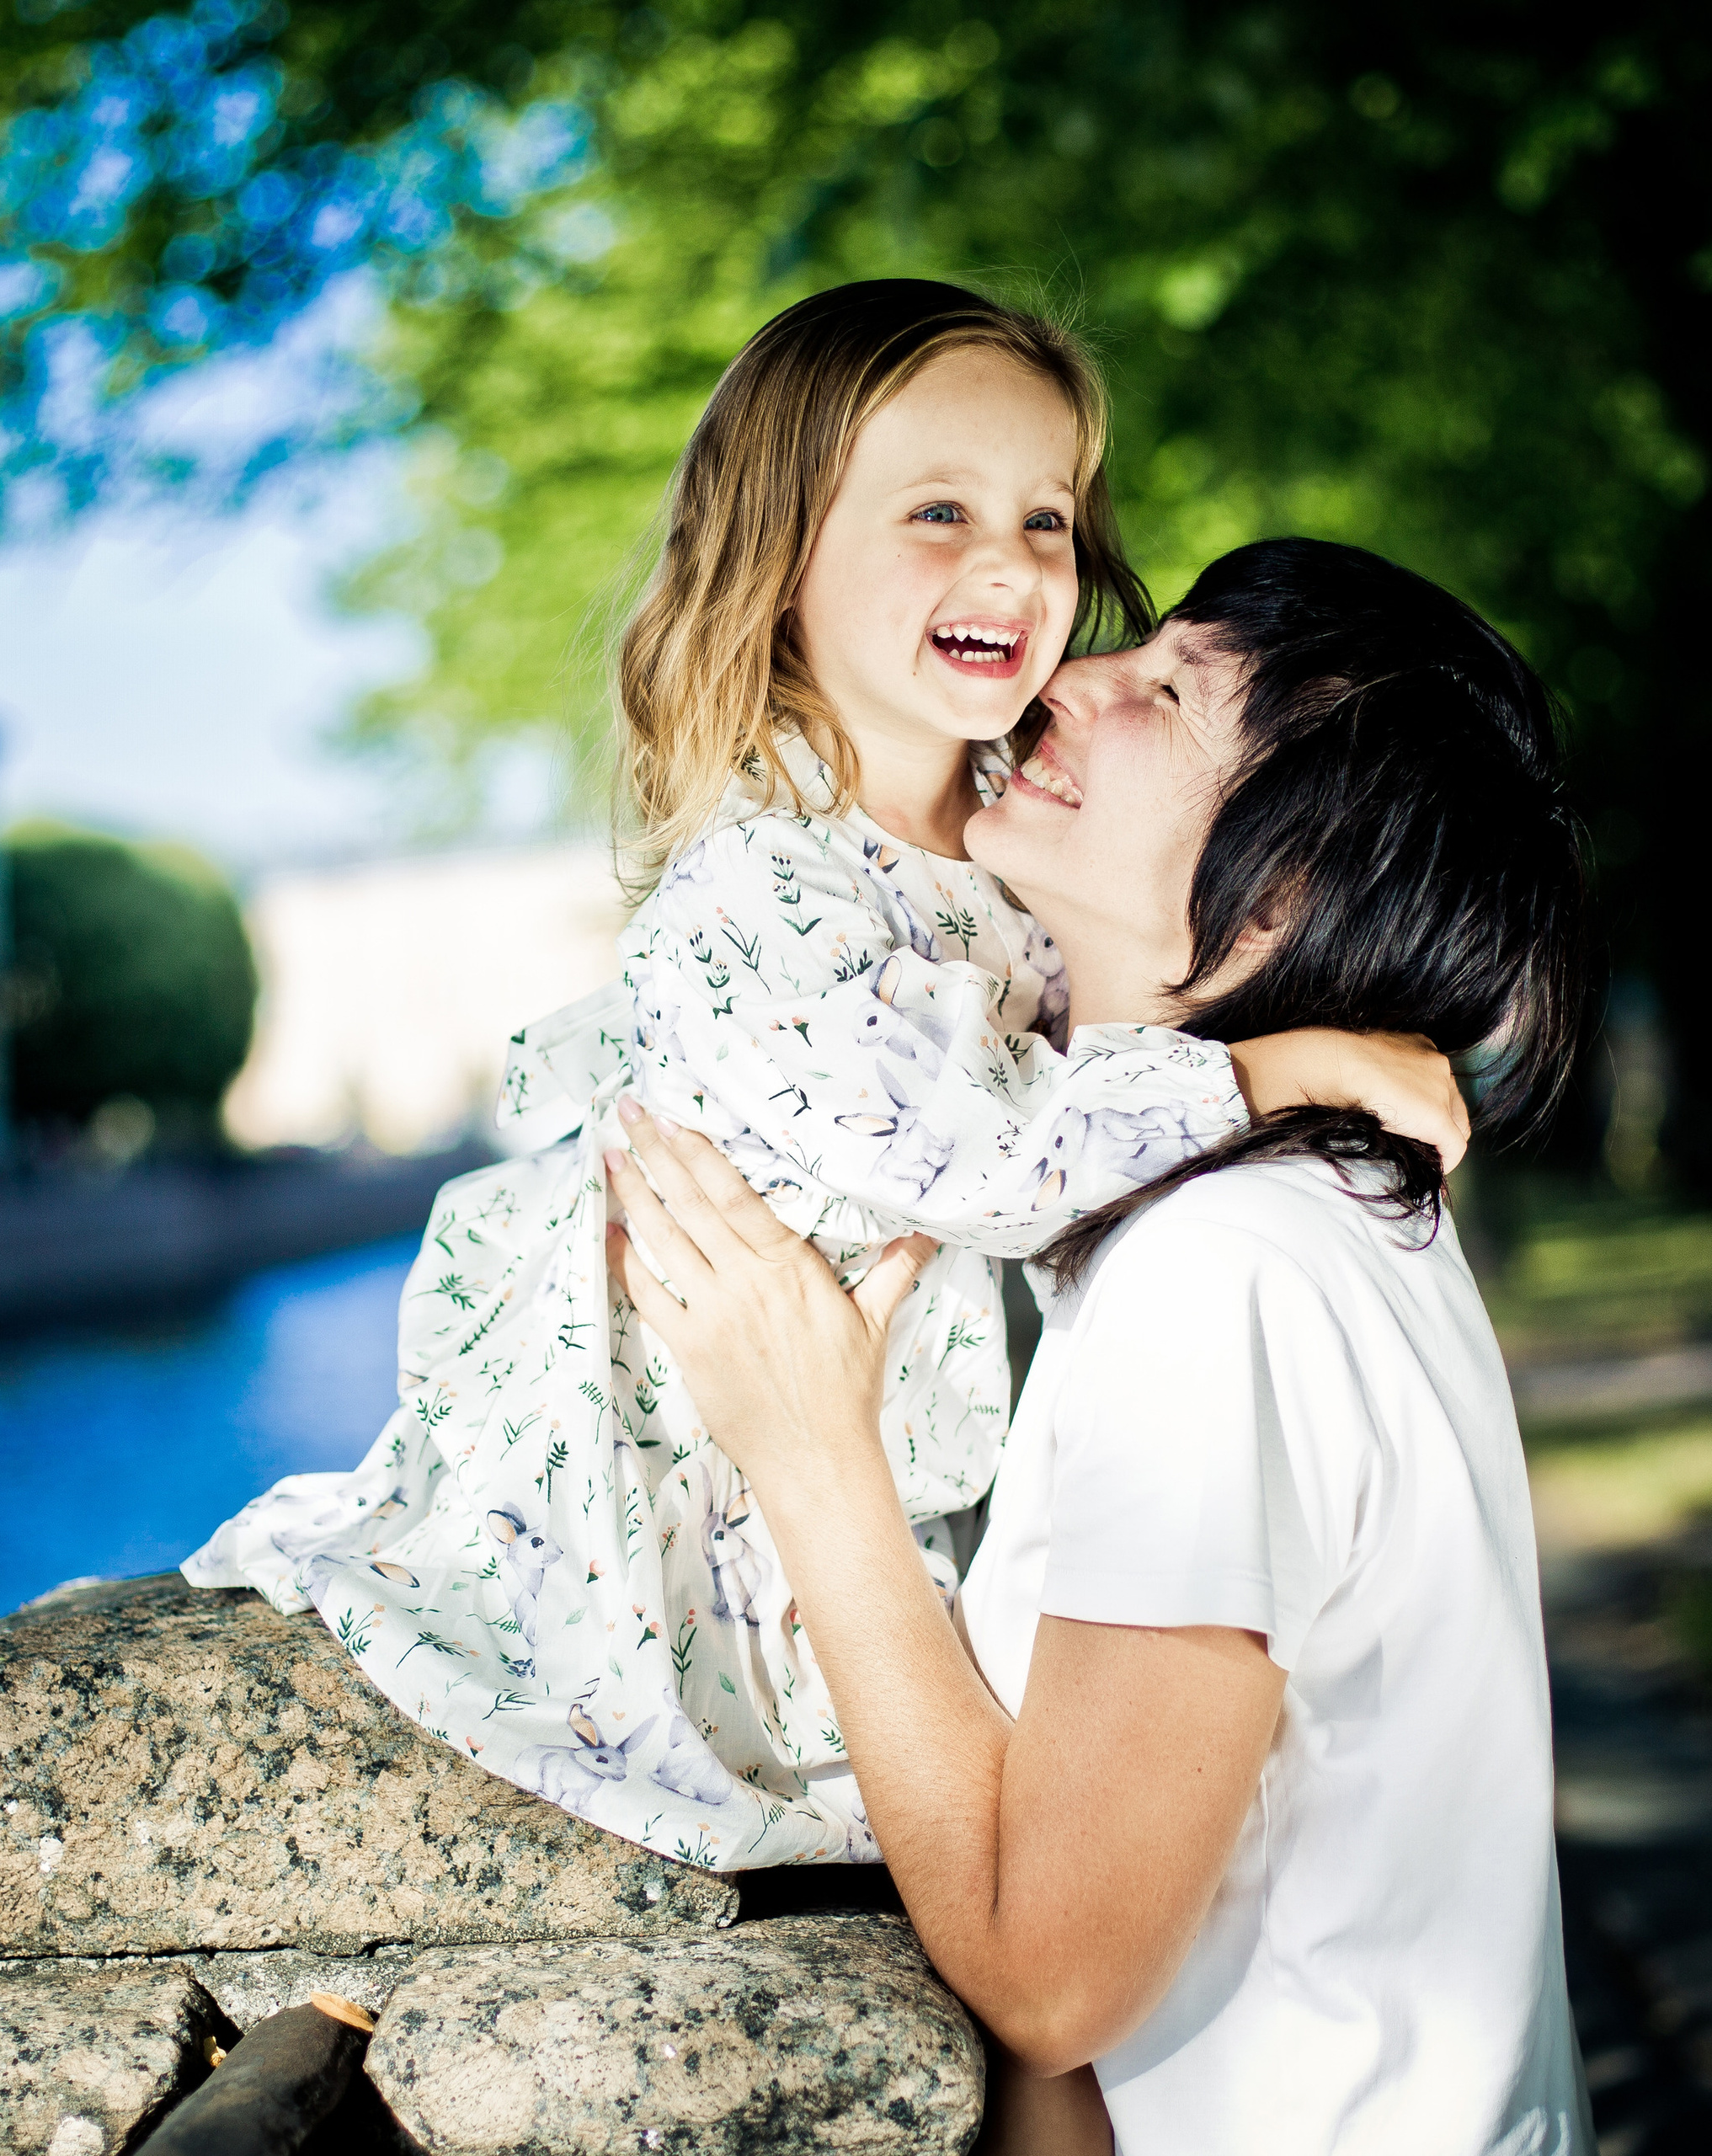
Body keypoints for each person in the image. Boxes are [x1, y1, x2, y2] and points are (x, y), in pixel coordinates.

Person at [183, 286, 1464, 1870]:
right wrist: (1276, 1070)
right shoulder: (768, 885)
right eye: (938, 511)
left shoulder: (997, 859)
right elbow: (987, 1164)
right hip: (700, 1485)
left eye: (1046, 519)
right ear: (781, 557)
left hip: (859, 1446)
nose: (1011, 562)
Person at [600, 537, 1596, 2152]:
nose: (1067, 677)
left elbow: (1054, 1978)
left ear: (1289, 883)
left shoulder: (1224, 1273)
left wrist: (813, 1462)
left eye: (1166, 691)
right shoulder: (1321, 1210)